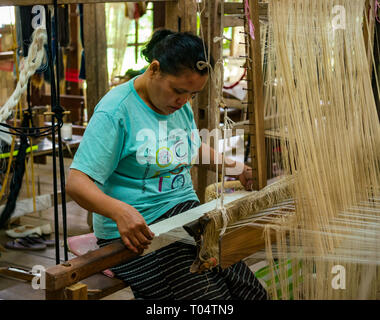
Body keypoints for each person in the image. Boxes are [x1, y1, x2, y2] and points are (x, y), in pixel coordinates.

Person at [66, 29, 267, 300]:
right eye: (179, 91)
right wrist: (120, 212)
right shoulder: (116, 112)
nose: (184, 101)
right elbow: (77, 182)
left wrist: (237, 168)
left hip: (185, 216)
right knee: (211, 299)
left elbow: (191, 148)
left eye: (192, 95)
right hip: (139, 232)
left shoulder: (177, 106)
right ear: (154, 69)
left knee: (251, 292)